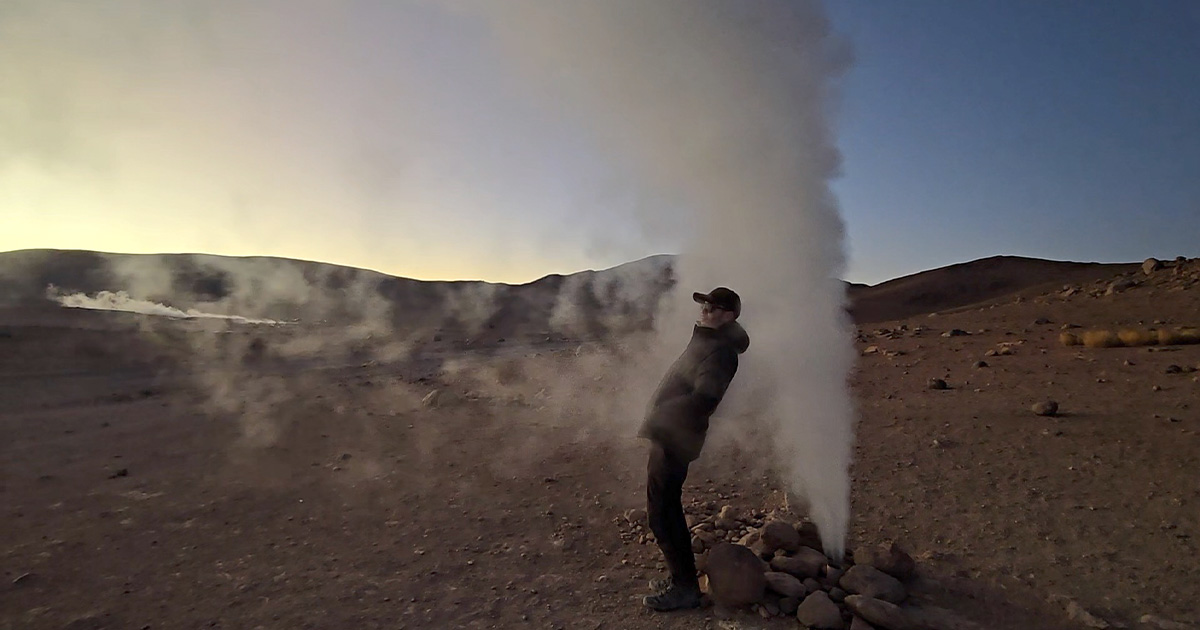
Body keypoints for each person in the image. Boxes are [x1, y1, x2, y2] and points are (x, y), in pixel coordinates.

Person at [637, 286, 750, 611]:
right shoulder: (709, 341)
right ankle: (681, 578)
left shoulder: (721, 351)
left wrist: (662, 414)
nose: (705, 311)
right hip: (670, 434)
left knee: (663, 514)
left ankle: (685, 587)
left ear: (728, 316)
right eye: (704, 305)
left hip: (676, 437)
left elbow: (705, 398)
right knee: (665, 509)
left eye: (713, 308)